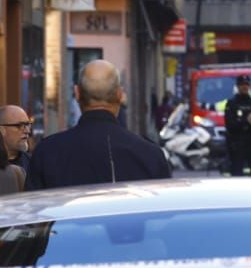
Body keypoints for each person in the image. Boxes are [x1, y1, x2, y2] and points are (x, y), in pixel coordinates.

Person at [25, 61, 171, 189]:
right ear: (119, 94)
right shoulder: (150, 155)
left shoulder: (47, 152)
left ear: (77, 93)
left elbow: (33, 215)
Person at [222, 74, 251, 176]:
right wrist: (246, 122)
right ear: (237, 86)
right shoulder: (232, 103)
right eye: (242, 84)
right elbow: (229, 125)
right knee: (237, 174)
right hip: (237, 145)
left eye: (246, 84)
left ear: (250, 86)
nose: (244, 87)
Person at [0, 105, 34, 176]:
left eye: (28, 124)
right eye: (20, 125)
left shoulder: (33, 163)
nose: (27, 131)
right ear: (0, 130)